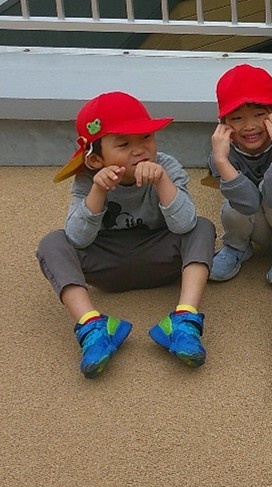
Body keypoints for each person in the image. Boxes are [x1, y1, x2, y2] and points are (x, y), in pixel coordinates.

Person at [36, 91, 216, 377]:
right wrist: (98, 191)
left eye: (146, 137)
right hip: (107, 263)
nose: (140, 150)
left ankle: (184, 319)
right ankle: (93, 326)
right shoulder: (87, 179)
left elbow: (184, 225)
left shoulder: (166, 166)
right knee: (52, 243)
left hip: (161, 259)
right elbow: (77, 238)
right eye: (123, 144)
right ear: (96, 159)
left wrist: (162, 182)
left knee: (202, 226)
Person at [208, 64, 272, 284]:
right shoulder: (221, 153)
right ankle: (237, 246)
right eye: (237, 118)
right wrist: (221, 161)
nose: (249, 126)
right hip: (255, 219)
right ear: (224, 122)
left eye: (258, 115)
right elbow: (246, 203)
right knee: (233, 206)